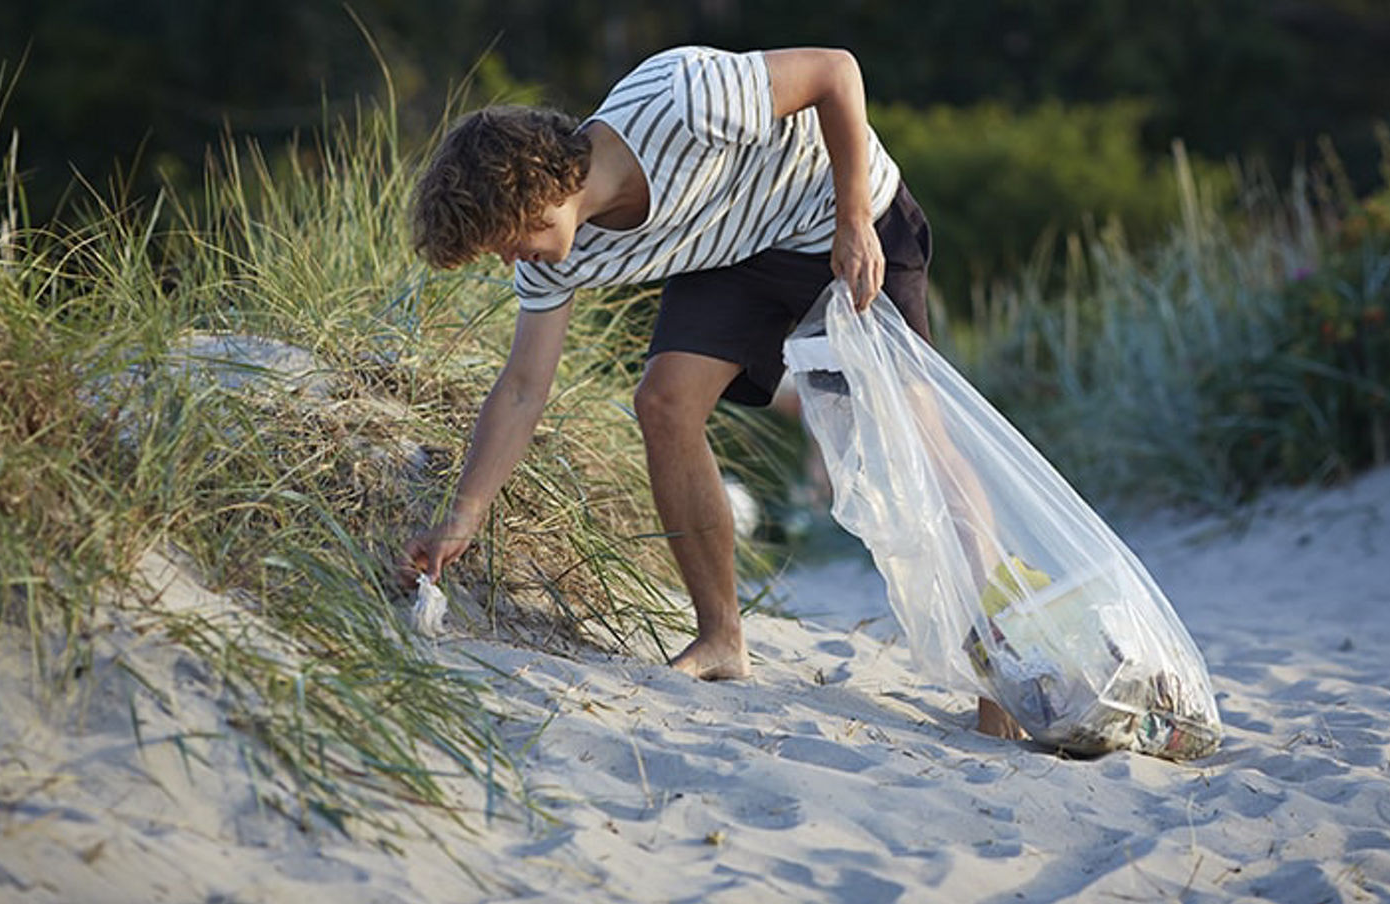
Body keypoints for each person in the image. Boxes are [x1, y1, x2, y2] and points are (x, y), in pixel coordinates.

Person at [404, 45, 1021, 739]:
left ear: (540, 183)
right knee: (664, 402)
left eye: (510, 237)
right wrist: (463, 515)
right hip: (734, 250)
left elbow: (836, 72)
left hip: (842, 210)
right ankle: (722, 637)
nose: (513, 258)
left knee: (916, 438)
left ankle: (1002, 679)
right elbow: (521, 390)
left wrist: (852, 219)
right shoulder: (556, 255)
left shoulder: (682, 99)